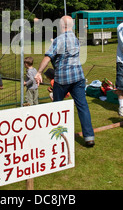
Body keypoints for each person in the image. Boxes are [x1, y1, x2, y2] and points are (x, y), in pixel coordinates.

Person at [35, 15, 95, 147]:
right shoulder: (75, 39)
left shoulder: (59, 40)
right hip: (78, 77)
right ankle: (89, 137)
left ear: (62, 26)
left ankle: (55, 135)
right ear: (71, 26)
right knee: (83, 107)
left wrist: (39, 72)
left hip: (62, 79)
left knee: (57, 107)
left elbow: (48, 57)